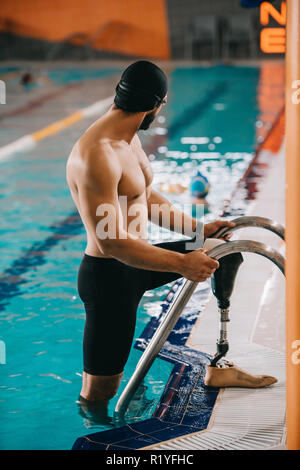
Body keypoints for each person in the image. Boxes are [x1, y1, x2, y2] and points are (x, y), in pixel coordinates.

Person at [66, 61, 275, 418]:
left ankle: (219, 362)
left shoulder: (128, 138)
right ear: (156, 104)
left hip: (141, 260)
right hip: (110, 277)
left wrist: (197, 232)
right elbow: (111, 242)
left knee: (224, 251)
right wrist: (182, 263)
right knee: (100, 392)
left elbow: (146, 199)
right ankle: (97, 432)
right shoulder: (96, 154)